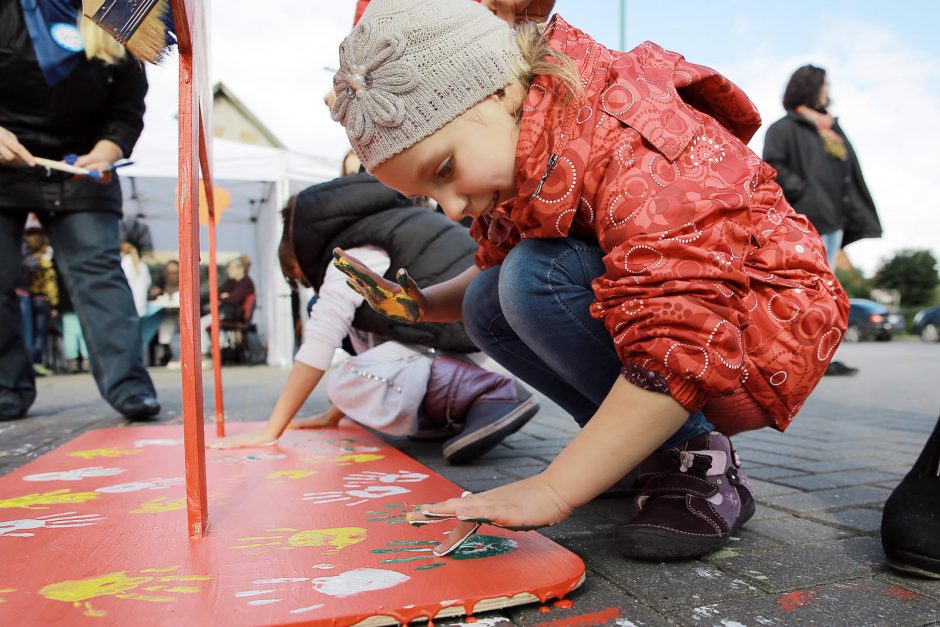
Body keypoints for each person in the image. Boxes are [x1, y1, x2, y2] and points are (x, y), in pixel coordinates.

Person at [330, 0, 849, 559]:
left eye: (446, 170)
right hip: (695, 333)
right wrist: (419, 305)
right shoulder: (527, 145)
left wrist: (554, 488)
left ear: (500, 90)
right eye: (431, 196)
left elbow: (682, 338)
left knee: (534, 276)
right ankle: (643, 453)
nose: (452, 208)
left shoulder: (634, 134)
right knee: (489, 298)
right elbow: (490, 270)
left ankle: (697, 462)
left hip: (760, 333)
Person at [211, 170, 540, 464]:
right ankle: (455, 407)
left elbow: (321, 340)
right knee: (361, 337)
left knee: (345, 379)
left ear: (300, 253)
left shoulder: (353, 252)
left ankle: (488, 392)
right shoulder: (395, 223)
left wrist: (272, 429)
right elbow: (372, 337)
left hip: (467, 350)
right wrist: (333, 415)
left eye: (300, 275)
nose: (308, 283)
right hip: (480, 340)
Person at [0, 3, 159, 420]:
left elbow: (128, 110)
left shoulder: (120, 13)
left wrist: (108, 150)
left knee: (99, 273)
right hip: (5, 158)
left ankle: (129, 386)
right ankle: (6, 388)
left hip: (81, 166)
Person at [763, 65, 881, 377]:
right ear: (810, 87)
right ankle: (798, 360)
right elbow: (772, 169)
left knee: (826, 296)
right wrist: (805, 193)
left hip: (834, 221)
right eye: (824, 85)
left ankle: (821, 358)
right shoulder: (784, 128)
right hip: (805, 222)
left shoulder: (831, 129)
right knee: (803, 294)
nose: (828, 91)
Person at [21, 225, 59, 376]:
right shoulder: (45, 262)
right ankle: (36, 362)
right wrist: (54, 303)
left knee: (28, 332)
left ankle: (27, 363)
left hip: (29, 298)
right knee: (39, 334)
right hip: (42, 300)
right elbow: (51, 285)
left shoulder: (26, 260)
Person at [200, 257, 255, 355]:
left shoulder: (246, 282)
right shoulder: (231, 282)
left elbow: (234, 299)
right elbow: (218, 294)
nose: (228, 271)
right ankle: (210, 350)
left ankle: (204, 353)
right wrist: (225, 297)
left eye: (231, 268)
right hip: (226, 311)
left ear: (241, 269)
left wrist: (225, 297)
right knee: (203, 323)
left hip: (232, 314)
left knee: (201, 324)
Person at [151, 259, 180, 365]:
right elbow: (153, 294)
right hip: (167, 314)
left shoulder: (185, 282)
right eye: (169, 273)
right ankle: (166, 351)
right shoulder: (162, 282)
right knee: (166, 322)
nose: (172, 275)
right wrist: (154, 293)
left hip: (182, 316)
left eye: (175, 272)